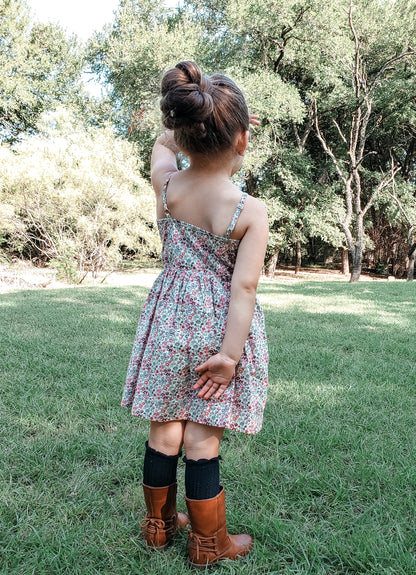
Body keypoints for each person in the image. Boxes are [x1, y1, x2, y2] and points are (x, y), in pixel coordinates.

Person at [121, 61, 269, 567]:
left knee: (164, 427)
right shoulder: (249, 210)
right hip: (214, 331)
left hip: (166, 322)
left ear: (183, 134)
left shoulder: (169, 187)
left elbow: (162, 149)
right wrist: (229, 356)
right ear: (243, 141)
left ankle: (158, 527)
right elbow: (244, 288)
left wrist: (180, 122)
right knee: (203, 434)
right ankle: (209, 543)